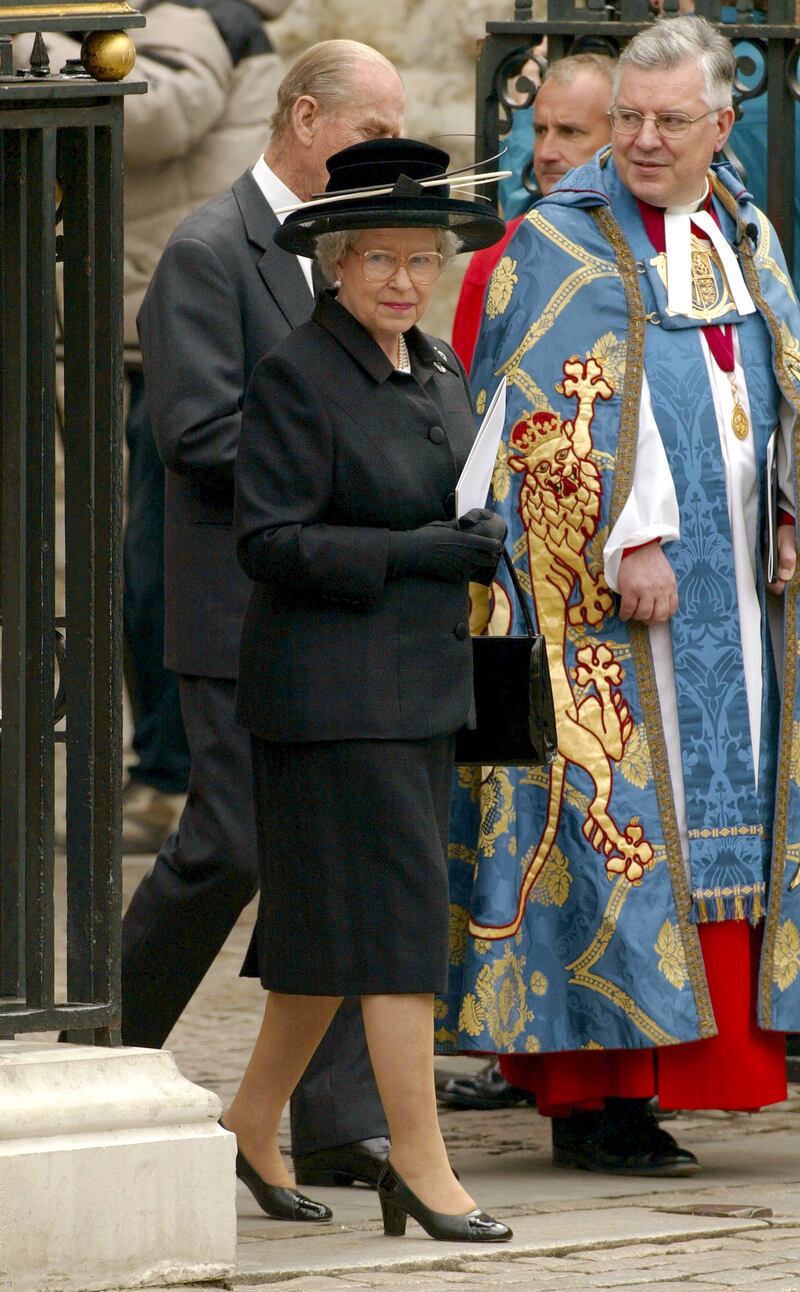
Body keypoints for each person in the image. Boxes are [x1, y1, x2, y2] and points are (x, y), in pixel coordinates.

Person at [440, 14, 800, 1177]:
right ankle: (599, 1095)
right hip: (607, 601)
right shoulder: (560, 237)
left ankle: (702, 1064)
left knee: (721, 821)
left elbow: (779, 376)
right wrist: (628, 533)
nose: (642, 141)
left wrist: (787, 510)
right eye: (628, 120)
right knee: (615, 830)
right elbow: (542, 412)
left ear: (720, 121)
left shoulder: (742, 232)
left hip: (737, 594)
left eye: (668, 121)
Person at [222, 135, 512, 1242]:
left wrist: (474, 535)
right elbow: (270, 541)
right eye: (378, 259)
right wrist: (419, 552)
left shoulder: (433, 365)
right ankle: (423, 1165)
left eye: (419, 258)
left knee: (321, 940)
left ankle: (249, 1123)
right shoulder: (297, 371)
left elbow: (443, 498)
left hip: (420, 686)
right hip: (328, 699)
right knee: (391, 935)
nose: (402, 279)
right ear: (335, 264)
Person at [133, 40, 406, 1202]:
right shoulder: (207, 249)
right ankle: (104, 1050)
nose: (388, 152)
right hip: (238, 606)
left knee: (337, 857)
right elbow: (196, 434)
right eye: (371, 128)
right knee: (228, 843)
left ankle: (338, 1121)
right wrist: (350, 469)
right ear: (305, 118)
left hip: (336, 599)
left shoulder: (356, 251)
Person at [40, 0, 291, 851]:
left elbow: (153, 115)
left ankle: (169, 775)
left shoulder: (193, 19)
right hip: (127, 319)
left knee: (152, 566)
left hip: (159, 328)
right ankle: (167, 769)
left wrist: (36, 49)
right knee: (139, 563)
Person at [452, 53, 615, 372]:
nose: (546, 153)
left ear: (620, 137)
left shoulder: (659, 246)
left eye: (571, 132)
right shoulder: (500, 250)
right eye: (540, 131)